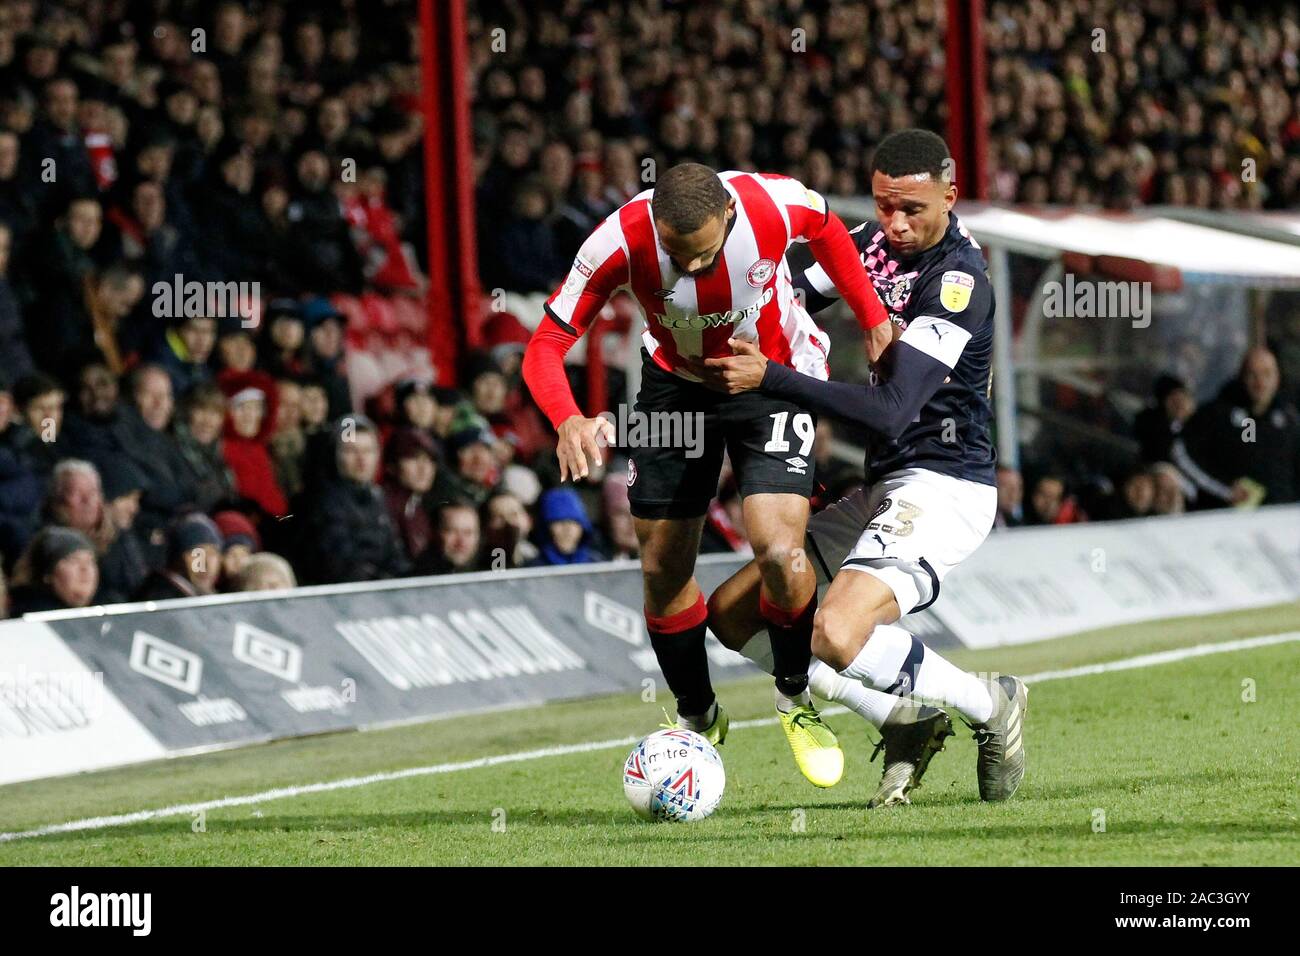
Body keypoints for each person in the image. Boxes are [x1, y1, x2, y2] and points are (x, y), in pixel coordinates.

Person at [521, 162, 892, 781]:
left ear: (727, 214)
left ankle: (795, 697)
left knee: (779, 551)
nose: (688, 269)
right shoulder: (618, 240)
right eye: (674, 253)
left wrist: (874, 318)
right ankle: (697, 714)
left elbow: (828, 229)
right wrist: (567, 419)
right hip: (675, 391)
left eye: (701, 256)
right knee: (663, 569)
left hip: (767, 377)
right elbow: (546, 343)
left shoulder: (772, 204)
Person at [703, 130, 1027, 806]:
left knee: (836, 630)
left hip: (946, 485)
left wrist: (773, 376)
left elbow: (889, 410)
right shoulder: (872, 245)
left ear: (950, 195)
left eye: (911, 209)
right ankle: (902, 721)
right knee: (735, 614)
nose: (896, 225)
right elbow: (785, 287)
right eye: (884, 207)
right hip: (888, 485)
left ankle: (991, 702)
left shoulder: (959, 281)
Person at [1174, 347, 1299, 507]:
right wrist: (1225, 490)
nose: (1260, 382)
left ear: (1278, 377)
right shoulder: (1217, 415)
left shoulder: (1290, 420)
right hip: (1226, 521)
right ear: (1242, 377)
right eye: (1253, 374)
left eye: (1267, 373)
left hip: (1278, 521)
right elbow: (1180, 452)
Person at [8, 526, 99, 615]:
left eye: (90, 561)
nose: (85, 569)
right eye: (73, 560)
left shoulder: (100, 610)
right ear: (47, 574)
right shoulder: (33, 616)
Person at [529, 487, 604, 566]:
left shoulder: (597, 565)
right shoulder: (533, 568)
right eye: (559, 521)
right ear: (546, 528)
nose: (567, 529)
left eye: (573, 522)